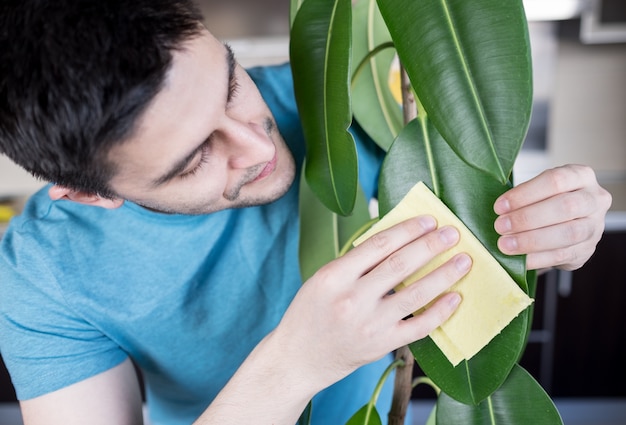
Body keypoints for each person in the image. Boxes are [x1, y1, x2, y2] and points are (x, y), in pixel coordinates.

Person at [0, 1, 612, 424]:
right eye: (193, 161)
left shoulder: (341, 99)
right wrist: (299, 361)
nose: (262, 148)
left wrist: (554, 225)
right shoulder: (41, 271)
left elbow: (481, 227)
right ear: (88, 192)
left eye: (232, 86)